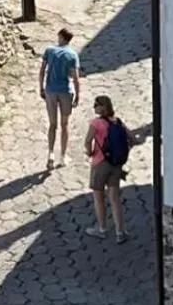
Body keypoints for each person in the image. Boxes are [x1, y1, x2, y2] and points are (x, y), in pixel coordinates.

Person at [85, 94, 130, 243]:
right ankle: (120, 231)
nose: (94, 107)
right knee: (115, 198)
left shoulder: (96, 123)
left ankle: (102, 229)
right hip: (116, 165)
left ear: (101, 107)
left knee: (99, 198)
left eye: (96, 105)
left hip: (100, 163)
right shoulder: (117, 122)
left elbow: (87, 140)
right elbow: (132, 138)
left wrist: (89, 151)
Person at [39, 27, 80, 170]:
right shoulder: (72, 55)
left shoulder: (49, 51)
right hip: (65, 92)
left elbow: (42, 71)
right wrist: (78, 95)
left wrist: (41, 88)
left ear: (61, 37)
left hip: (50, 91)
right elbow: (75, 78)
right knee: (64, 125)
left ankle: (50, 153)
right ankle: (62, 156)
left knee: (52, 125)